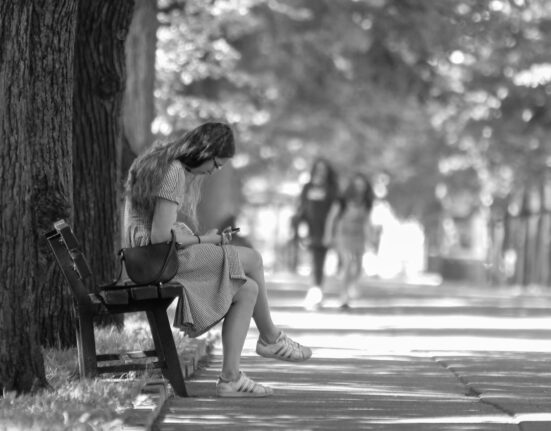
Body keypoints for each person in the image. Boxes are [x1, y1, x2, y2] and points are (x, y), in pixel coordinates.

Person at [123, 122, 311, 398]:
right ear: (204, 151)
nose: (214, 171)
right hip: (158, 260)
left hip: (148, 258)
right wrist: (204, 240)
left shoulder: (157, 160)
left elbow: (155, 229)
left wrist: (194, 236)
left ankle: (230, 379)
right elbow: (160, 236)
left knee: (248, 290)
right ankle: (270, 338)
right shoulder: (174, 171)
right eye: (216, 164)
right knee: (252, 259)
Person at [324, 172, 375, 309]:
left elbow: (367, 222)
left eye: (362, 186)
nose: (360, 188)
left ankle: (351, 285)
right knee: (347, 263)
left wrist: (371, 239)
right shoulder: (342, 200)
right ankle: (344, 296)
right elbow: (331, 217)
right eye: (357, 185)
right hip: (343, 235)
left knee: (358, 267)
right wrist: (328, 235)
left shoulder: (367, 202)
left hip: (358, 237)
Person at [293, 158, 339, 310]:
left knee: (319, 262)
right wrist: (301, 228)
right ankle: (315, 292)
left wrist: (330, 233)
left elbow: (335, 212)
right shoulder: (307, 187)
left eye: (323, 169)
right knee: (313, 262)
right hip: (310, 230)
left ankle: (316, 292)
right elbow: (301, 209)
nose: (320, 172)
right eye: (318, 169)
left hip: (325, 229)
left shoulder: (331, 189)